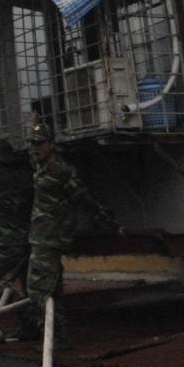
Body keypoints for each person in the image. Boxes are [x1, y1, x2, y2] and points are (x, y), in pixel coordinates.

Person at [27, 117, 116, 343]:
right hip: (41, 234)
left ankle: (53, 338)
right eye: (32, 143)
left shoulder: (60, 170)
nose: (35, 148)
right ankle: (57, 336)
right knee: (50, 288)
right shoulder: (39, 165)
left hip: (51, 236)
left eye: (39, 143)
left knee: (39, 289)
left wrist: (100, 214)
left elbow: (81, 196)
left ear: (51, 144)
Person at [0, 137, 35, 339]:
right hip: (28, 238)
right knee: (28, 283)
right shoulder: (25, 176)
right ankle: (30, 327)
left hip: (10, 241)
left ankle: (23, 311)